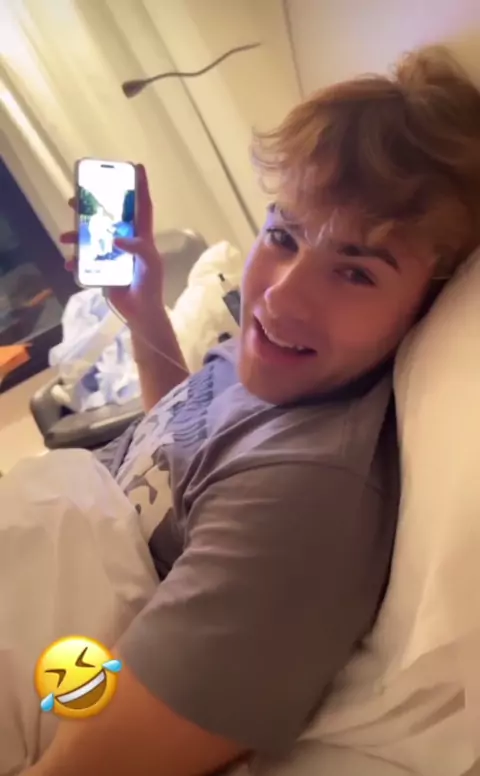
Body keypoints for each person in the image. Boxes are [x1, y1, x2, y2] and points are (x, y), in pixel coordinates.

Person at [25, 45, 480, 775]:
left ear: (429, 304)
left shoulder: (304, 500)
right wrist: (144, 311)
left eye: (356, 271)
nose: (279, 297)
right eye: (284, 235)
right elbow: (181, 450)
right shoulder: (284, 367)